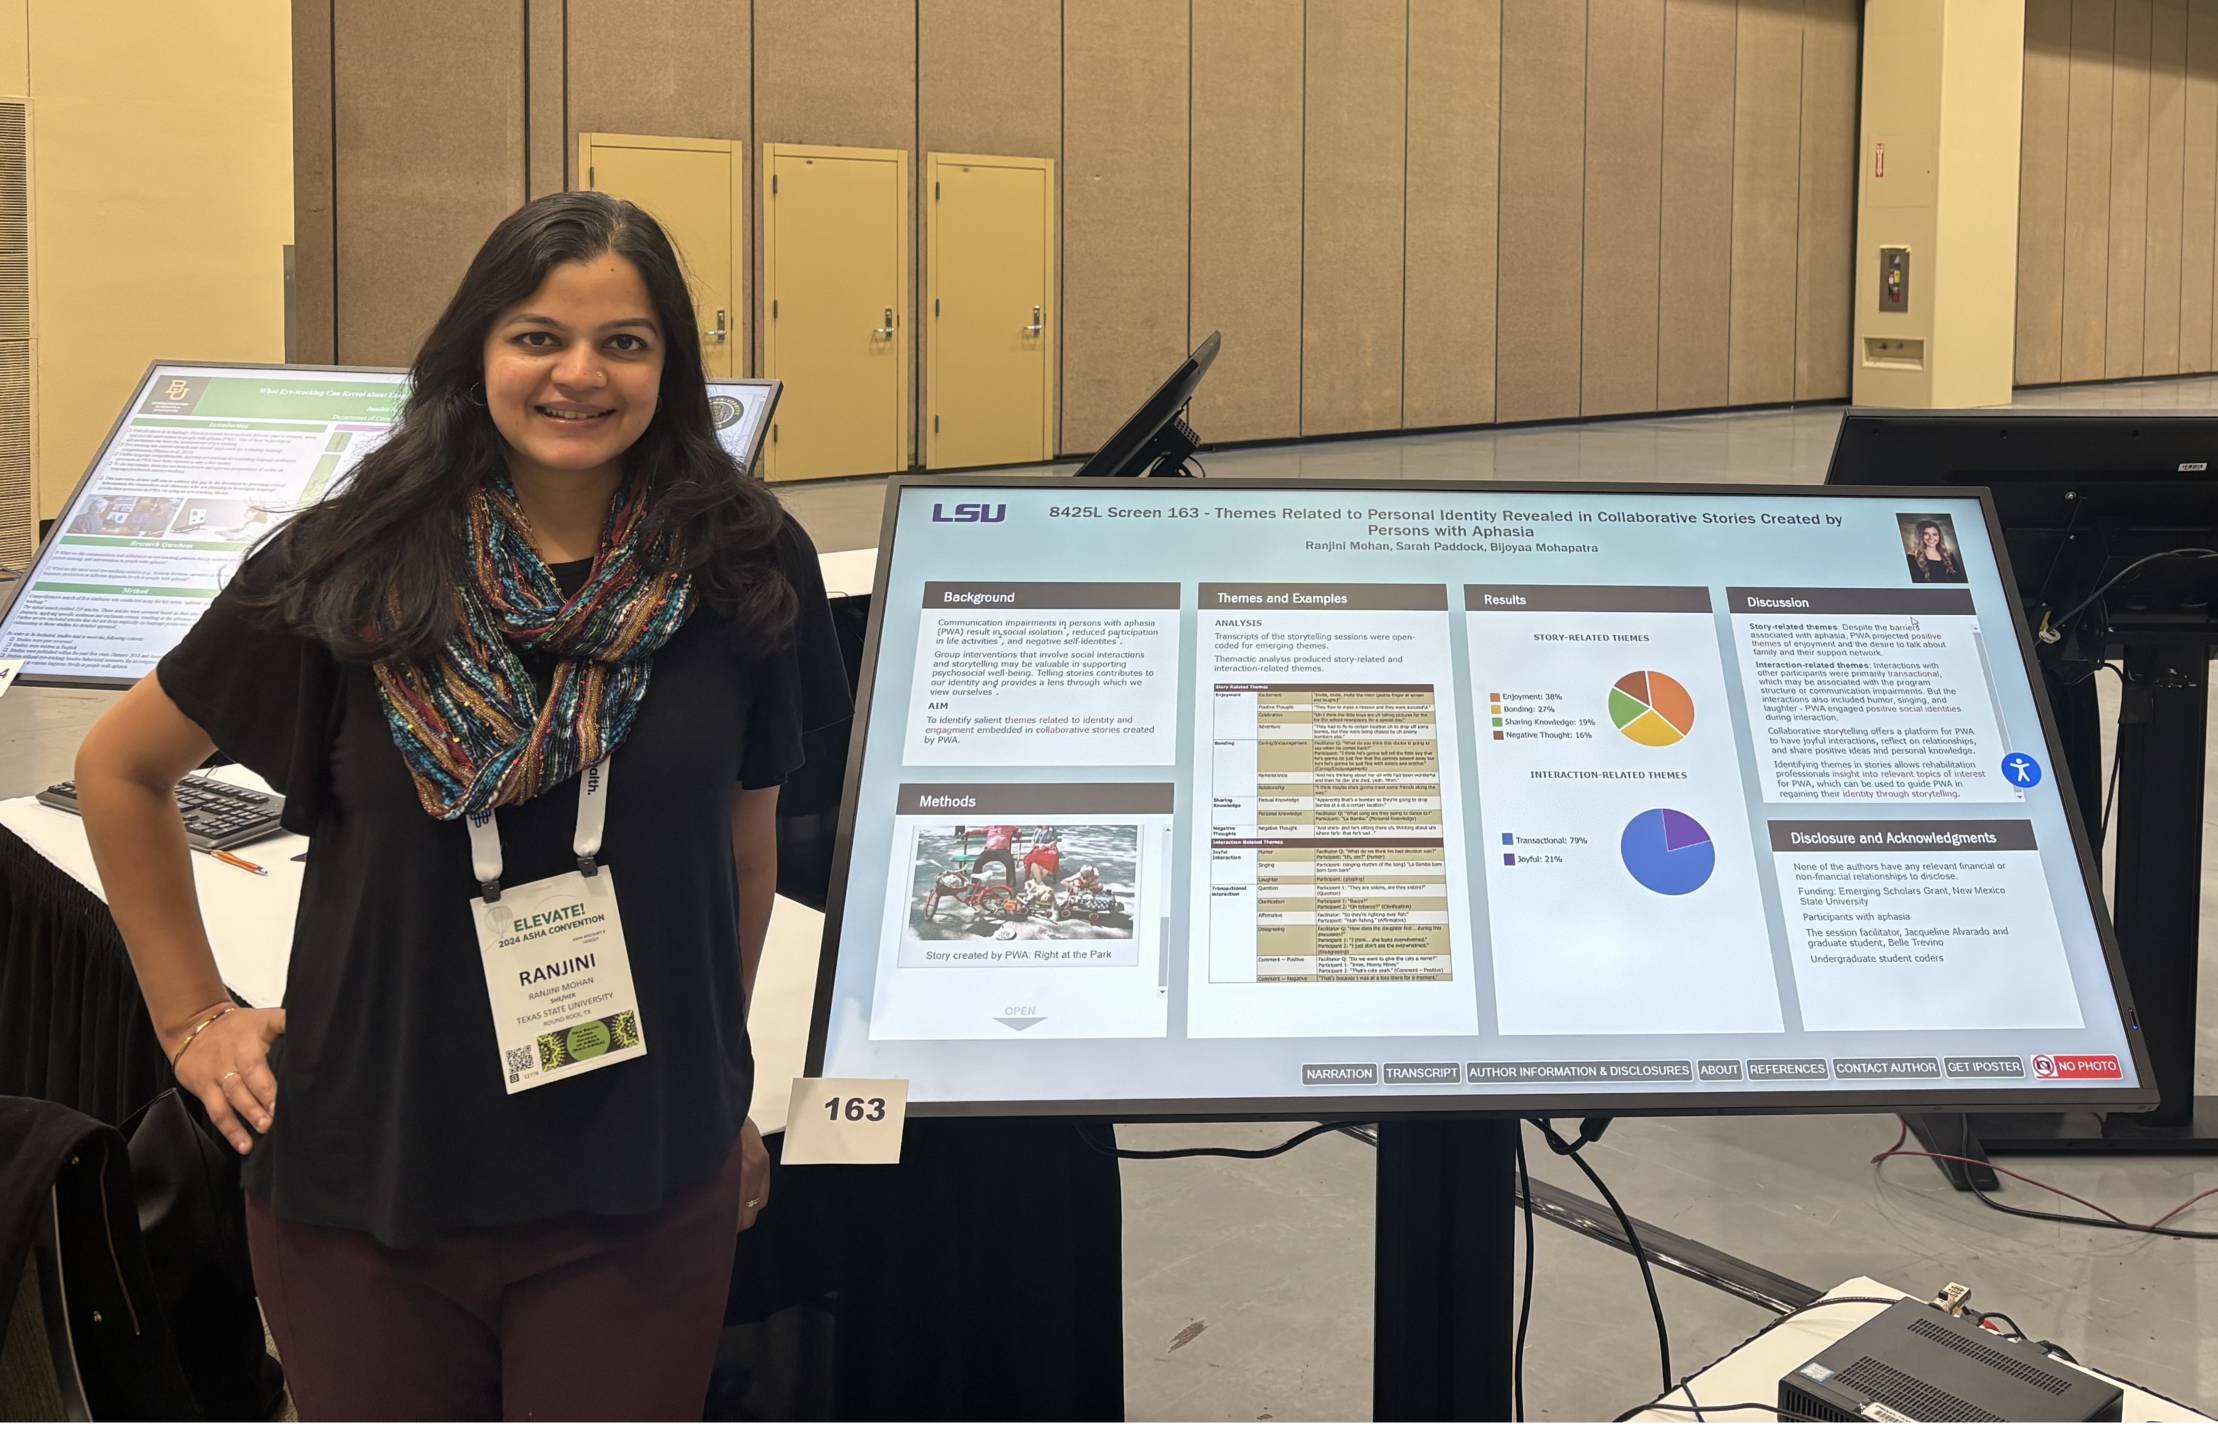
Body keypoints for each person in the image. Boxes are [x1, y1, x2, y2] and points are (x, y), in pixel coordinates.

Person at [71, 191, 849, 1421]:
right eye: (538, 336)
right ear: (477, 352)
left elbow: (745, 858)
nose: (579, 374)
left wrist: (720, 1090)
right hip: (369, 1178)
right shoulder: (351, 566)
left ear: (673, 367)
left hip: (640, 1179)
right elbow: (119, 772)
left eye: (625, 342)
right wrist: (190, 1021)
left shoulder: (744, 567)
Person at [1906, 518, 1965, 583]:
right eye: (1926, 534)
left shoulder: (1949, 555)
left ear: (1939, 536)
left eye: (1935, 534)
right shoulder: (1912, 557)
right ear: (1919, 536)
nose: (1931, 538)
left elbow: (1960, 579)